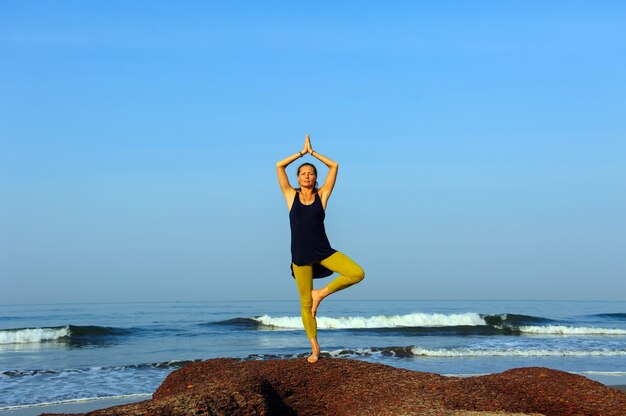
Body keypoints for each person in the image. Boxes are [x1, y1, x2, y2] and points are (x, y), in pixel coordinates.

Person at [276, 134, 365, 363]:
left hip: (323, 251)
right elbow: (279, 165)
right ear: (298, 177)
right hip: (300, 257)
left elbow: (334, 165)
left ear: (316, 177)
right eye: (303, 173)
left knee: (357, 273)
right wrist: (301, 153)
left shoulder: (322, 195)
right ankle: (315, 349)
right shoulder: (290, 196)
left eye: (311, 173)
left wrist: (313, 153)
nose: (307, 176)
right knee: (305, 304)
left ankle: (321, 294)